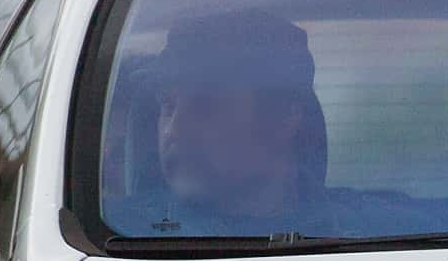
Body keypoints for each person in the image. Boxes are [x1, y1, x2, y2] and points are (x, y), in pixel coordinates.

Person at [102, 16, 332, 238]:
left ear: (284, 118)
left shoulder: (362, 230)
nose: (173, 131)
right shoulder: (116, 231)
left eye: (205, 106)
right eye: (168, 105)